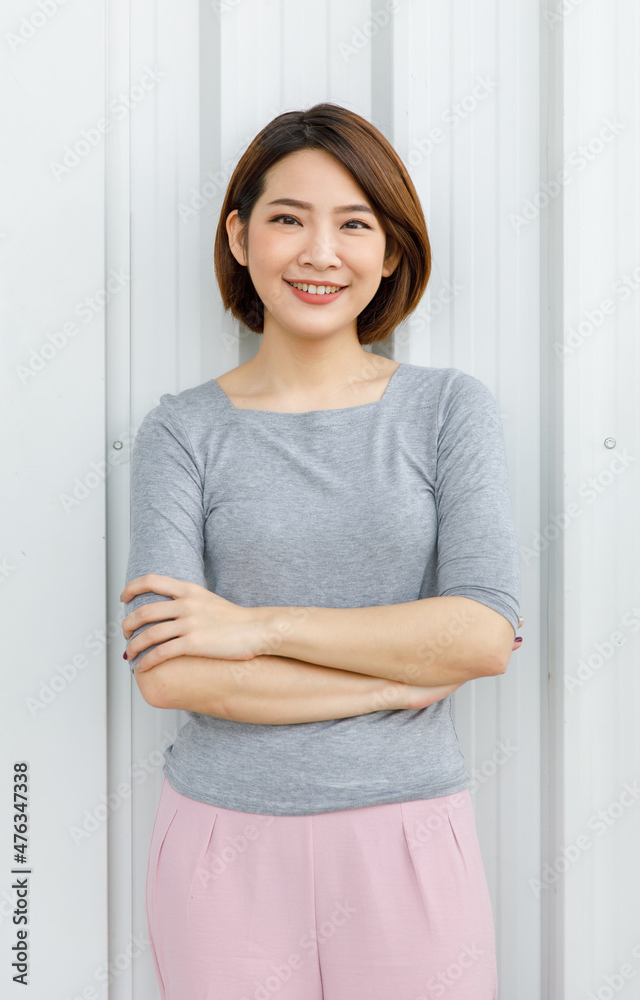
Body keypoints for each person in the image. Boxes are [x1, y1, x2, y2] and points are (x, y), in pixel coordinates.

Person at [120, 102, 523, 1000]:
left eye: (354, 224)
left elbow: (480, 634)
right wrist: (388, 685)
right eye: (288, 219)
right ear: (240, 236)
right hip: (222, 842)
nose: (319, 253)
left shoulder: (449, 410)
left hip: (407, 836)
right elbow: (173, 675)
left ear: (391, 252)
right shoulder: (180, 433)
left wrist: (252, 627)